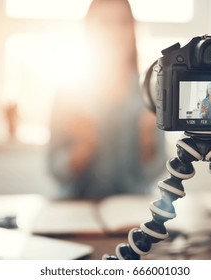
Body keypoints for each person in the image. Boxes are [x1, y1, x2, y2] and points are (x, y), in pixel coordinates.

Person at [47, 0, 166, 200]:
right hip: (77, 209)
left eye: (123, 23)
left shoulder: (150, 93)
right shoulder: (67, 95)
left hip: (133, 213)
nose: (115, 32)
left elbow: (156, 171)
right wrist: (81, 150)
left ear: (133, 30)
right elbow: (55, 171)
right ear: (89, 31)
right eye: (105, 23)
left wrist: (148, 144)